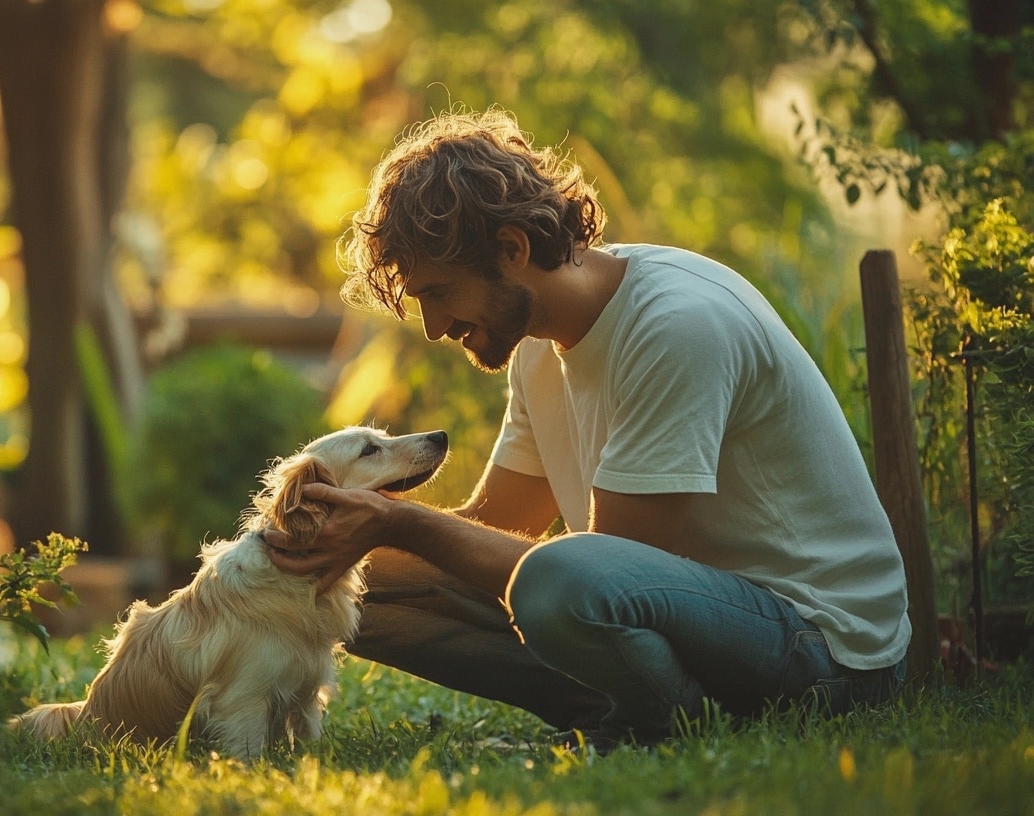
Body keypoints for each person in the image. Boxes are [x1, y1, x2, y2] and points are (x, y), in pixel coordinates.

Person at [263, 107, 910, 751]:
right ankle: (637, 711)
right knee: (343, 582)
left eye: (439, 291)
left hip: (821, 647)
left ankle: (670, 723)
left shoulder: (674, 324)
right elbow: (498, 522)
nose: (434, 327)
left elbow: (610, 571)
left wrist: (399, 520)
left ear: (512, 250)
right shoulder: (539, 349)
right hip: (681, 623)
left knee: (562, 581)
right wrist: (310, 552)